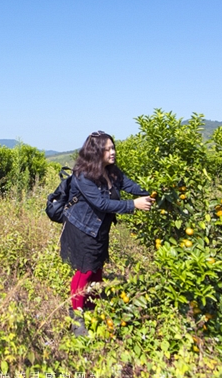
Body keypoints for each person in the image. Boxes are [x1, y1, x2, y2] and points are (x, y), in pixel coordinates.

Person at [60, 131, 153, 336]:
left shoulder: (111, 171)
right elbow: (100, 203)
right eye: (108, 149)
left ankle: (91, 308)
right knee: (84, 271)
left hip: (100, 228)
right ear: (96, 152)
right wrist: (133, 205)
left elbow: (129, 185)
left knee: (96, 269)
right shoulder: (83, 175)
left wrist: (150, 193)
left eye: (113, 147)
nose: (113, 152)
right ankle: (76, 315)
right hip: (82, 228)